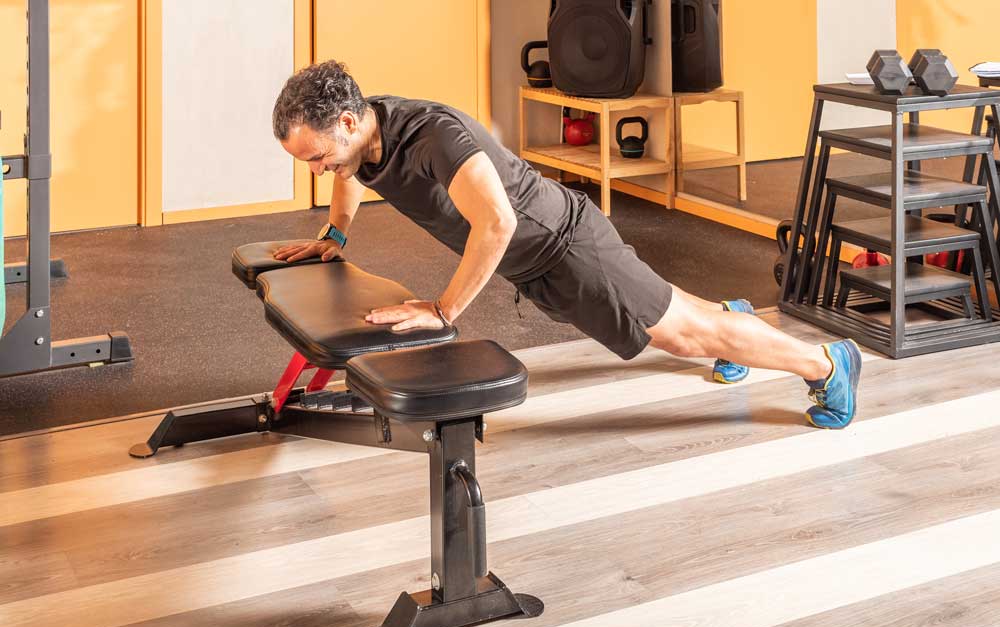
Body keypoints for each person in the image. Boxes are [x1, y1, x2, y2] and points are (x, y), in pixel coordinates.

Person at [270, 60, 862, 429]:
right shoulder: (362, 140)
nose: (321, 170)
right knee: (676, 316)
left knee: (681, 336)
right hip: (543, 260)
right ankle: (731, 324)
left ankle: (828, 364)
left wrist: (443, 309)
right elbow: (349, 175)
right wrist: (335, 234)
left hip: (567, 246)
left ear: (347, 122)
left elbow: (496, 224)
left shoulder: (432, 137)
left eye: (317, 157)